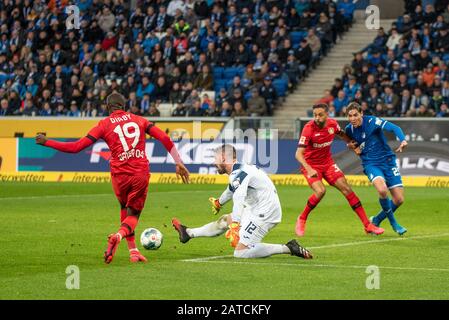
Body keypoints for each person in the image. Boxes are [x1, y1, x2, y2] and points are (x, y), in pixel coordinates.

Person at [35, 93, 190, 263]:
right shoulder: (140, 120)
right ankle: (118, 236)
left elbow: (76, 147)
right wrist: (178, 162)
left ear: (108, 107)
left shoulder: (103, 124)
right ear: (124, 107)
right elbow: (164, 138)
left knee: (124, 208)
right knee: (133, 215)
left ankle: (133, 251)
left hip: (118, 175)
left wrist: (47, 142)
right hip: (139, 173)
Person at [172, 144, 313, 260]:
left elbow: (238, 197)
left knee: (241, 253)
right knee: (224, 220)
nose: (214, 163)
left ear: (223, 157)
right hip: (256, 208)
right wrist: (219, 202)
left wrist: (235, 224)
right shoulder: (240, 169)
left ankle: (288, 247)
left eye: (215, 159)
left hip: (265, 213)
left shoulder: (238, 173)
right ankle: (188, 233)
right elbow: (232, 188)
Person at [295, 103, 384, 237]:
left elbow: (342, 134)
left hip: (327, 163)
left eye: (320, 115)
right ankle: (302, 218)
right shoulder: (308, 129)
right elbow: (298, 154)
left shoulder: (332, 124)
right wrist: (309, 169)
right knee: (320, 191)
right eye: (315, 115)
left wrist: (352, 145)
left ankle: (368, 225)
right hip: (311, 165)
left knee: (347, 189)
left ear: (327, 114)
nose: (317, 118)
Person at [345, 102, 408, 235]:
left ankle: (376, 220)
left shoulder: (373, 121)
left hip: (388, 161)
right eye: (349, 116)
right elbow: (352, 144)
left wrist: (402, 140)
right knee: (382, 190)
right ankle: (394, 223)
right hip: (371, 164)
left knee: (399, 200)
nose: (352, 119)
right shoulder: (349, 129)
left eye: (355, 115)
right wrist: (352, 147)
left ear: (361, 113)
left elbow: (394, 128)